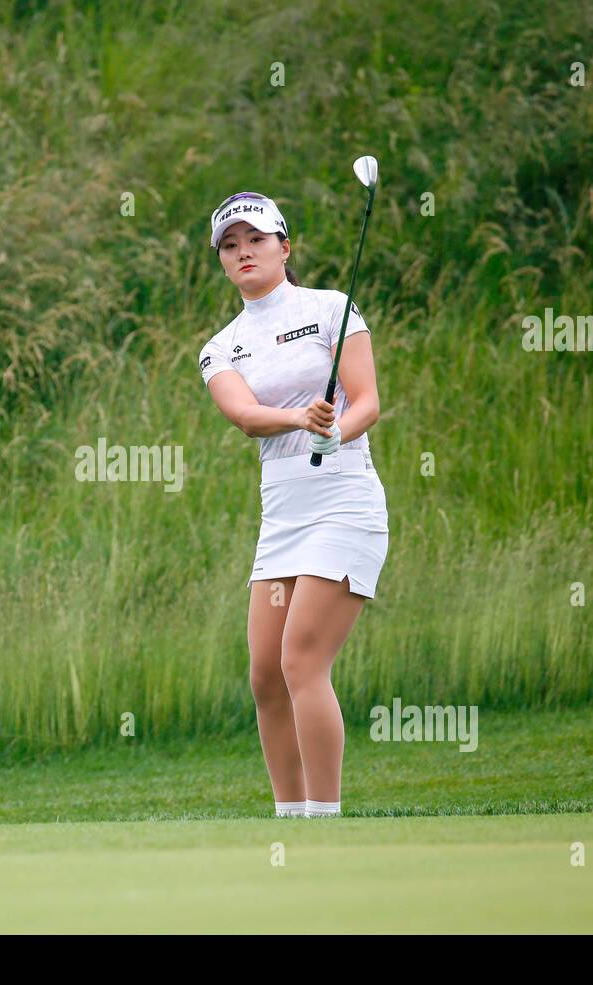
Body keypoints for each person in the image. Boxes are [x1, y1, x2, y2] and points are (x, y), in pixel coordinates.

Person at [198, 191, 389, 819]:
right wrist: (301, 417)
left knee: (300, 660)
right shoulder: (221, 346)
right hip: (281, 511)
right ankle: (291, 818)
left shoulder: (332, 308)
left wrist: (337, 429)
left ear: (285, 245)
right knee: (264, 675)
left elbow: (365, 400)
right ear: (222, 261)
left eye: (256, 239)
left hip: (343, 498)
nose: (244, 252)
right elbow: (247, 416)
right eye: (230, 245)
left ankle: (326, 817)